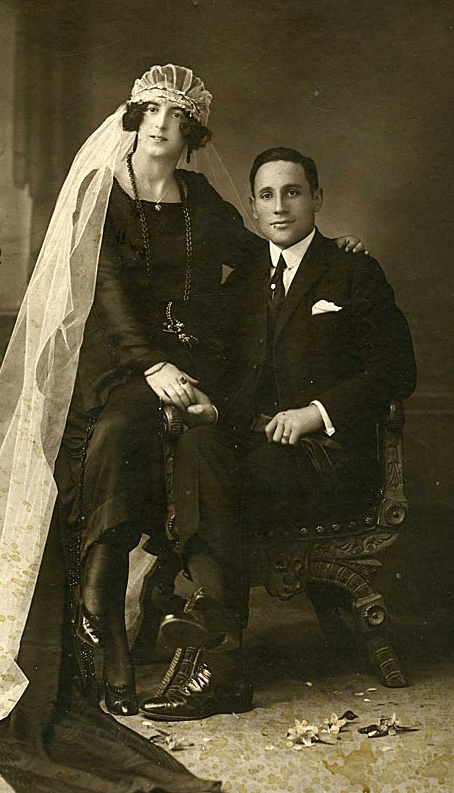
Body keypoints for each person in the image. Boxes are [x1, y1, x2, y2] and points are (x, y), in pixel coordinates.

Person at [0, 76, 365, 793]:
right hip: (112, 355)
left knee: (186, 425)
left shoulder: (198, 201)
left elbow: (259, 257)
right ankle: (102, 607)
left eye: (178, 117)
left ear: (192, 135)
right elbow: (108, 294)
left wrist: (317, 254)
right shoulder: (104, 188)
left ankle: (131, 613)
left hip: (176, 357)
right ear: (135, 117)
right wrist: (154, 362)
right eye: (153, 111)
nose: (162, 125)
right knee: (124, 426)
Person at [139, 146, 416, 723]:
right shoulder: (242, 282)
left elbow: (395, 371)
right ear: (252, 206)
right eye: (267, 195)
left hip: (328, 455)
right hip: (259, 449)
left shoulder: (351, 269)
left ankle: (216, 646)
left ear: (317, 198)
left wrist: (316, 412)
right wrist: (210, 406)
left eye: (293, 192)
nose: (281, 206)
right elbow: (221, 368)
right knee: (197, 442)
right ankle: (226, 648)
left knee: (227, 477)